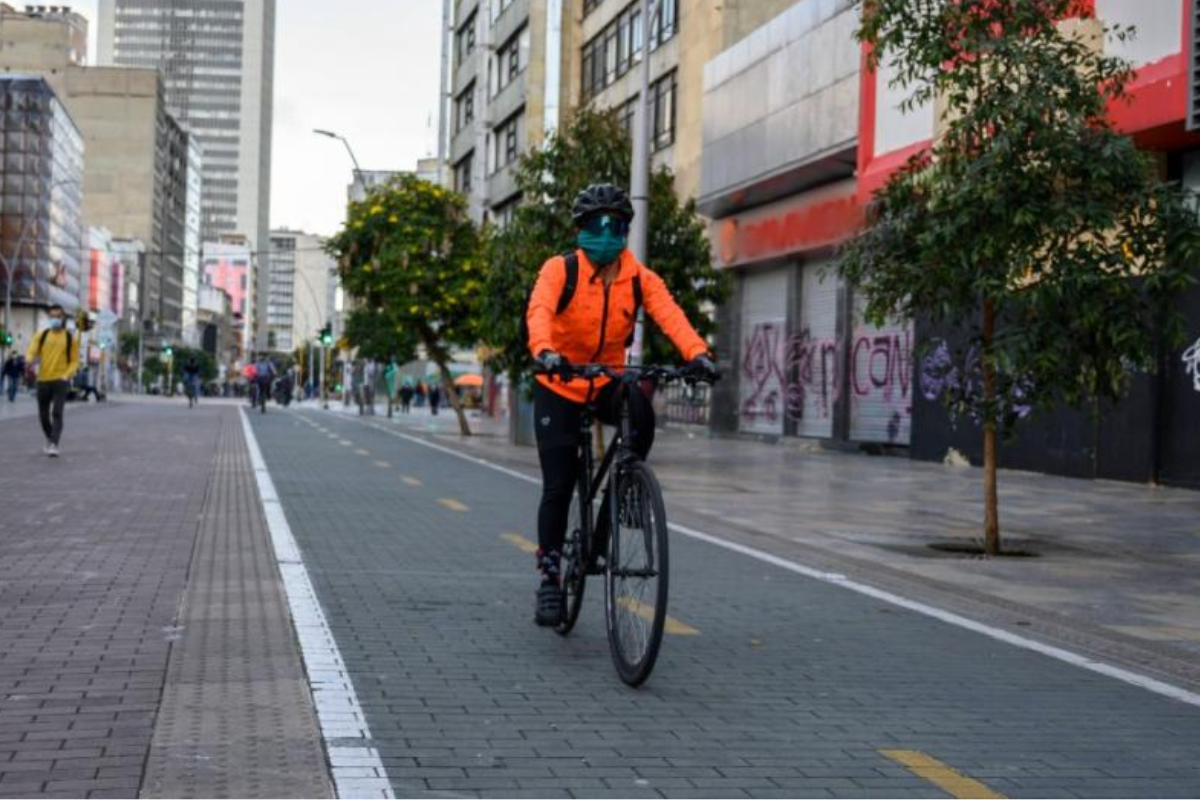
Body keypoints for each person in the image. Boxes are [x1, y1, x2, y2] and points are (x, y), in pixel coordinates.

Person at [526, 183, 719, 627]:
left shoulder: (639, 278)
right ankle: (550, 578)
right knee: (557, 486)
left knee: (640, 404)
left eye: (616, 225)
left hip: (606, 381)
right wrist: (545, 350)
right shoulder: (561, 270)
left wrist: (697, 354)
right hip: (560, 380)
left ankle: (625, 493)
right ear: (581, 229)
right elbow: (539, 311)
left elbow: (670, 314)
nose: (607, 233)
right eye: (598, 225)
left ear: (626, 231)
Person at [25, 305, 81, 457]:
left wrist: (67, 375)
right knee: (43, 416)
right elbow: (32, 350)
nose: (55, 319)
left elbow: (75, 361)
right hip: (43, 380)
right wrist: (29, 360)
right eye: (52, 316)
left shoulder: (70, 339)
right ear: (49, 318)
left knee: (57, 412)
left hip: (60, 381)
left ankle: (54, 444)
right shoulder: (41, 335)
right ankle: (50, 439)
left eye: (58, 316)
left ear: (63, 318)